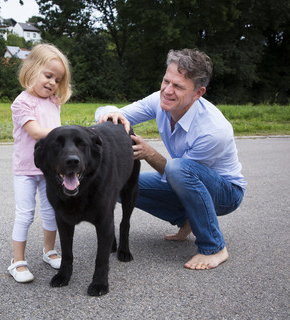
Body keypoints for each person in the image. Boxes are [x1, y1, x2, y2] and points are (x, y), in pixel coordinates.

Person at [95, 48, 246, 270]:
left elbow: (178, 175)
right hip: (185, 181)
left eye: (178, 86)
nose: (167, 90)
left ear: (198, 93)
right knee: (115, 187)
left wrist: (149, 154)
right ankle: (187, 220)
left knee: (177, 168)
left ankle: (214, 246)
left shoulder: (213, 131)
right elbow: (114, 113)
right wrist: (111, 113)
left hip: (225, 193)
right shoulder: (159, 100)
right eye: (166, 81)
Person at [8, 44, 72, 282]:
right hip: (25, 170)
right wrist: (64, 132)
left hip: (49, 170)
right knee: (25, 214)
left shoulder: (54, 102)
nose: (53, 82)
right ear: (32, 69)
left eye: (58, 79)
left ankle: (49, 250)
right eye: (48, 75)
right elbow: (35, 132)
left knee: (51, 211)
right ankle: (17, 261)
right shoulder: (22, 103)